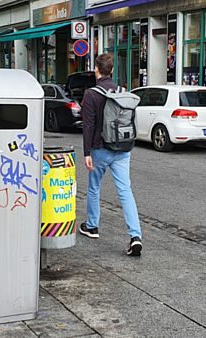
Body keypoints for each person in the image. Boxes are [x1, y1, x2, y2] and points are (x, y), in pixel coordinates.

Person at [79, 53, 143, 257]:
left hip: (99, 149)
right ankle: (135, 236)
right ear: (112, 70)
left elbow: (88, 125)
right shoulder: (122, 91)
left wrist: (87, 152)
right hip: (122, 149)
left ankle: (92, 227)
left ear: (96, 70)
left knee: (94, 188)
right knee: (126, 191)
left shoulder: (91, 94)